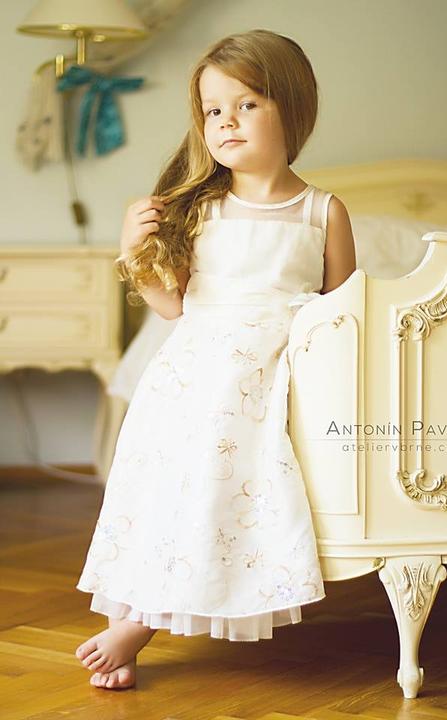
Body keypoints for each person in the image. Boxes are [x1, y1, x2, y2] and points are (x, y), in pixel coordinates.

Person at [74, 28, 356, 690]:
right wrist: (132, 250)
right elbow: (170, 305)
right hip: (193, 373)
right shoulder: (199, 209)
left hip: (268, 374)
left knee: (216, 481)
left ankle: (135, 628)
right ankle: (129, 618)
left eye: (247, 104)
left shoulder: (322, 211)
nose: (226, 121)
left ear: (292, 108)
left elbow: (344, 313)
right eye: (213, 109)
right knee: (157, 494)